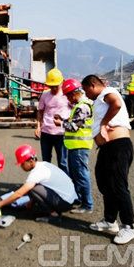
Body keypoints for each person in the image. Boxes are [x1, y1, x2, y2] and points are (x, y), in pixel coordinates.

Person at [82, 75, 134, 244]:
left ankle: (129, 226)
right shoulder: (99, 99)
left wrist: (104, 124)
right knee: (105, 184)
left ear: (93, 85)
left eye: (86, 91)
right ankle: (110, 220)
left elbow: (117, 104)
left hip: (118, 146)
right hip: (107, 148)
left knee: (118, 186)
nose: (86, 95)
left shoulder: (107, 92)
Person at [0, 145, 78, 223]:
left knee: (32, 189)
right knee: (34, 187)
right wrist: (32, 200)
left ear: (31, 161)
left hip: (65, 203)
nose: (22, 167)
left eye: (22, 164)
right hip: (69, 199)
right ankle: (54, 210)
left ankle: (54, 215)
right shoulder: (43, 165)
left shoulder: (36, 172)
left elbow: (19, 193)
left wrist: (0, 204)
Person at [53, 79, 94, 214]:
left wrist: (60, 123)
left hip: (80, 146)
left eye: (68, 96)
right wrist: (63, 120)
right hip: (75, 146)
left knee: (81, 175)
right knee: (76, 174)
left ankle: (87, 204)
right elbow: (75, 123)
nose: (68, 100)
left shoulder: (82, 106)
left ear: (73, 93)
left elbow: (73, 127)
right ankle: (79, 198)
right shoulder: (80, 105)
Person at [35, 69, 71, 174]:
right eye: (51, 86)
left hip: (61, 133)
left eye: (56, 85)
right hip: (46, 132)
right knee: (46, 161)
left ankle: (65, 185)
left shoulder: (66, 95)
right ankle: (49, 183)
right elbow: (40, 111)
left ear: (61, 83)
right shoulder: (45, 95)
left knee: (62, 162)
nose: (54, 88)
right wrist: (38, 127)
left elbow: (74, 111)